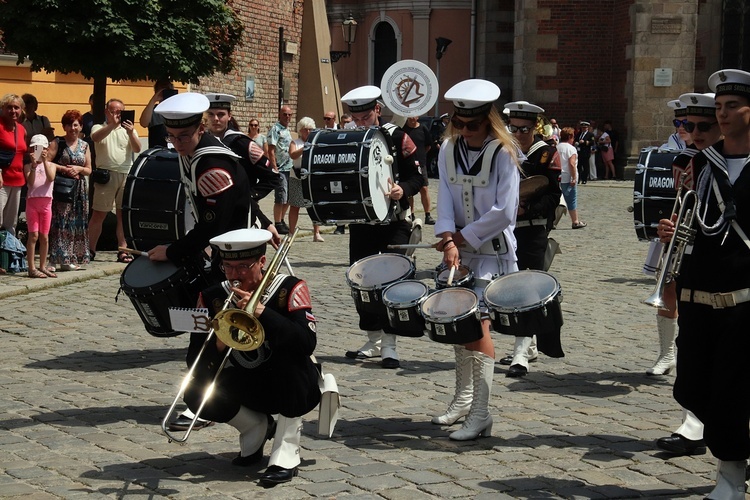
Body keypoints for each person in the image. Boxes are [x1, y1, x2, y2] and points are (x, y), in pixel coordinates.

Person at [663, 69, 750, 499]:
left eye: (732, 106)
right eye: (720, 106)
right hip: (698, 294)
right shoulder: (699, 162)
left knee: (732, 391)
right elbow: (693, 216)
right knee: (692, 386)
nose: (723, 113)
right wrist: (673, 228)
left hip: (744, 297)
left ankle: (731, 476)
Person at [150, 92, 254, 433]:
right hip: (225, 253)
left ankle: (207, 405)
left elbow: (214, 223)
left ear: (201, 127)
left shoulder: (211, 163)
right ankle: (214, 400)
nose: (177, 142)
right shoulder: (196, 154)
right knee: (208, 331)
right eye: (172, 136)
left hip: (235, 258)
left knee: (208, 335)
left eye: (184, 136)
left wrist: (175, 251)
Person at [183, 228, 320, 486]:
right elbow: (195, 362)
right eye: (228, 267)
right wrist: (219, 342)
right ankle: (254, 426)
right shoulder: (212, 296)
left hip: (291, 383)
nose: (235, 275)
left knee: (289, 360)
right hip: (245, 382)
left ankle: (286, 450)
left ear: (262, 262)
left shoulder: (289, 288)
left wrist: (262, 313)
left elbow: (306, 343)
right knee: (195, 391)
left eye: (244, 266)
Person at [431, 79, 520, 440]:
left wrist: (464, 237)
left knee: (479, 327)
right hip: (460, 252)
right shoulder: (447, 148)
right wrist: (448, 238)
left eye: (473, 125)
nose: (465, 131)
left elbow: (505, 210)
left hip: (493, 254)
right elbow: (445, 197)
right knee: (458, 326)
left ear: (489, 121)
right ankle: (464, 399)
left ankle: (482, 412)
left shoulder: (504, 152)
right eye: (459, 124)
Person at [653, 92, 720, 458]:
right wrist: (672, 227)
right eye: (685, 125)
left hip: (730, 266)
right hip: (694, 260)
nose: (692, 133)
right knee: (692, 344)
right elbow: (685, 208)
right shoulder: (686, 160)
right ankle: (692, 425)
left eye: (702, 126)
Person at [340, 85, 425, 369]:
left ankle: (390, 344)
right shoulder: (348, 139)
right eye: (357, 118)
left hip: (395, 222)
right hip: (363, 222)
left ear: (377, 109)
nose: (361, 123)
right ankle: (373, 339)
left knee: (391, 282)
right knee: (361, 282)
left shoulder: (398, 137)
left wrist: (403, 188)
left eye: (365, 116)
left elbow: (418, 177)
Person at [499, 101, 564, 378]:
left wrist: (528, 208)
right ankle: (529, 344)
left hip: (534, 228)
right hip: (506, 228)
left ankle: (520, 354)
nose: (518, 133)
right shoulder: (503, 150)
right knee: (511, 287)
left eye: (523, 129)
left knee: (527, 288)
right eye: (513, 128)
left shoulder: (547, 153)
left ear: (535, 126)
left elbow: (552, 195)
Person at [203, 93, 279, 237]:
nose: (216, 119)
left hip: (239, 216)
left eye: (221, 114)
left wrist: (248, 196)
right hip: (211, 214)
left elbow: (272, 177)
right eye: (211, 115)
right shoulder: (202, 142)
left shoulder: (242, 143)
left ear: (229, 116)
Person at [89, 98, 141, 263]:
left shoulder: (129, 129)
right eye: (114, 111)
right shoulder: (100, 127)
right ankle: (90, 249)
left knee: (122, 215)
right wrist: (112, 124)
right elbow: (96, 138)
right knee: (99, 214)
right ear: (107, 112)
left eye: (120, 112)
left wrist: (131, 132)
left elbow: (137, 148)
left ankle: (123, 250)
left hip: (126, 173)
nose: (117, 114)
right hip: (107, 174)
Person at [47, 110, 92, 271]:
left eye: (75, 125)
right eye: (69, 124)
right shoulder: (58, 142)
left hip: (79, 190)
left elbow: (89, 170)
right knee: (60, 222)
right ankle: (54, 259)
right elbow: (46, 162)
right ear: (64, 126)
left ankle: (69, 259)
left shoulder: (85, 145)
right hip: (62, 187)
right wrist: (64, 169)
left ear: (80, 126)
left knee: (76, 223)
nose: (72, 128)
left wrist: (79, 168)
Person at [24, 134, 56, 278]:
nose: (37, 151)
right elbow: (30, 182)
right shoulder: (28, 166)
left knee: (44, 236)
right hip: (32, 203)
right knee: (33, 236)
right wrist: (34, 166)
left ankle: (42, 266)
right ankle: (31, 267)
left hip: (46, 204)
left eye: (40, 148)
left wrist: (44, 161)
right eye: (34, 148)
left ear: (46, 149)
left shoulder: (51, 165)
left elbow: (50, 178)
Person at [288, 117, 324, 241]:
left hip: (311, 177)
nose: (308, 132)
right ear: (300, 130)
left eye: (310, 129)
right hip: (297, 177)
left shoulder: (316, 142)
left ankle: (316, 233)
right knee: (295, 205)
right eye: (305, 130)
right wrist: (304, 148)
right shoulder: (295, 142)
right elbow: (292, 155)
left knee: (313, 204)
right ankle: (291, 233)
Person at [0, 93, 28, 243]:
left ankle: (8, 257)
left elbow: (25, 152)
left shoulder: (22, 129)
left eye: (16, 107)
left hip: (18, 181)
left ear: (21, 110)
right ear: (3, 109)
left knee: (11, 224)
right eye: (9, 107)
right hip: (2, 181)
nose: (13, 111)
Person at [402, 115, 435, 224]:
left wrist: (420, 156)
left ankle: (428, 215)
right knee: (409, 190)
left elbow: (428, 146)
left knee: (424, 189)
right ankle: (411, 214)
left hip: (421, 163)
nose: (412, 118)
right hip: (407, 164)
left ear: (418, 116)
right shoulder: (403, 129)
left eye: (414, 115)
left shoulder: (423, 128)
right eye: (409, 115)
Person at [268, 106, 294, 235]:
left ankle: (282, 220)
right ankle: (277, 223)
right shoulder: (275, 129)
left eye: (290, 115)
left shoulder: (288, 130)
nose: (287, 117)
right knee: (280, 197)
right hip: (280, 168)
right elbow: (271, 149)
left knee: (288, 197)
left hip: (290, 167)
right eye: (285, 114)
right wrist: (274, 167)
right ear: (280, 115)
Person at [557, 127, 586, 229]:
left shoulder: (557, 147)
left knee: (557, 200)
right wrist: (574, 178)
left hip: (558, 176)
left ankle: (552, 222)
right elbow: (572, 164)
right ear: (570, 137)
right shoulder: (571, 148)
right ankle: (575, 221)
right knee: (571, 200)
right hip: (567, 177)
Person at [139, 80, 175, 149]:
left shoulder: (178, 110)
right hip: (157, 153)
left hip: (175, 153)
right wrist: (153, 100)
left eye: (168, 91)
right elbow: (143, 123)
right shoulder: (153, 110)